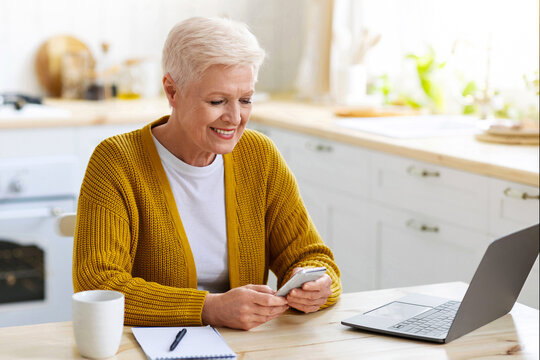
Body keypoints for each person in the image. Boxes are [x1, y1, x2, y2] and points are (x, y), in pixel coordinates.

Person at [73, 17, 341, 331]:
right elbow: (99, 286)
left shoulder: (260, 156)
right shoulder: (117, 162)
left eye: (246, 100)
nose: (235, 118)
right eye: (217, 101)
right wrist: (210, 309)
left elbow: (311, 255)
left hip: (247, 347)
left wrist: (314, 283)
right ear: (172, 91)